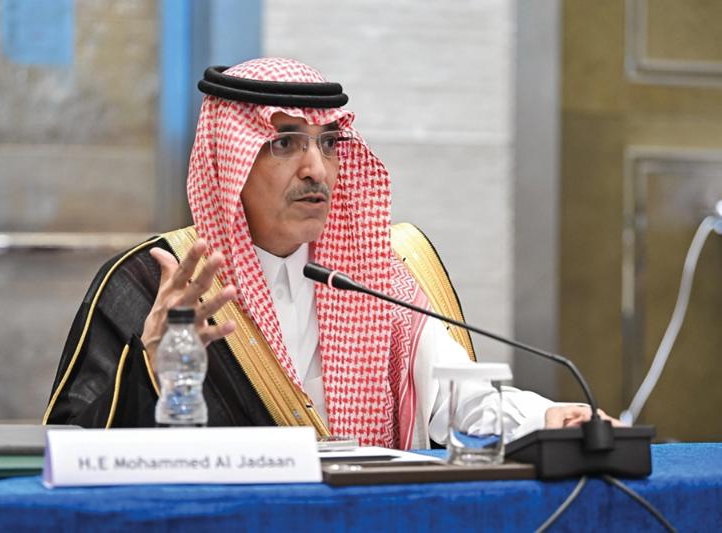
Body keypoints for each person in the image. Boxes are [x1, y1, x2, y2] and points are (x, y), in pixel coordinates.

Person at [43, 58, 616, 449]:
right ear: (229, 162)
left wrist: (548, 417)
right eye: (284, 143)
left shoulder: (372, 276)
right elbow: (71, 444)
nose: (316, 169)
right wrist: (149, 364)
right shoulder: (149, 282)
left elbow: (463, 398)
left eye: (328, 143)